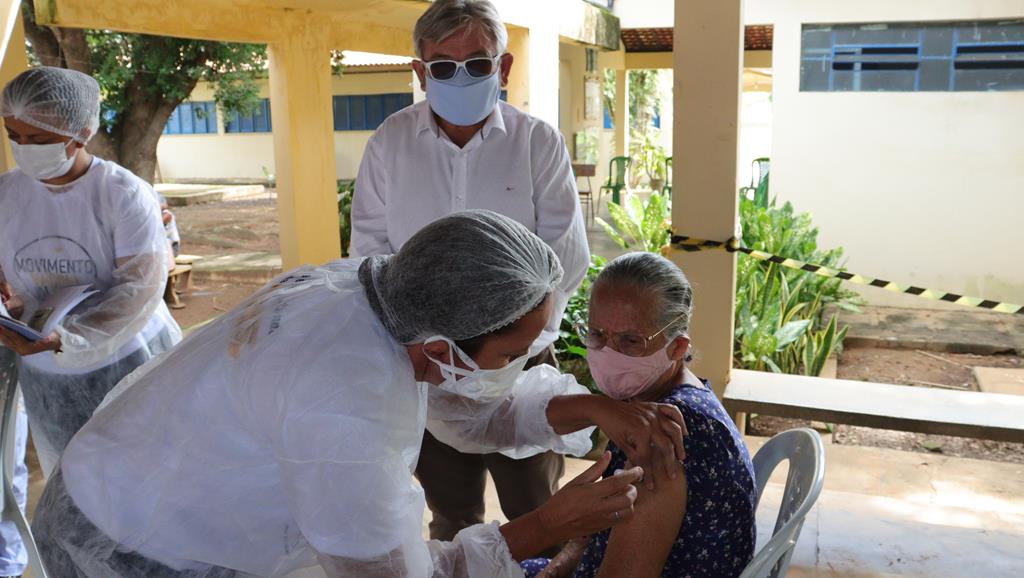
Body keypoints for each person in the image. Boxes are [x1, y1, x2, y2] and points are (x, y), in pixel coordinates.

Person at [32, 211, 688, 578]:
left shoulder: (377, 290)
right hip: (126, 546)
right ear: (441, 348)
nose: (517, 369)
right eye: (513, 356)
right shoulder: (344, 408)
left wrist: (598, 408)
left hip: (138, 476)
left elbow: (471, 407)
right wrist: (544, 528)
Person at [351, 0, 590, 548]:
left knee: (540, 515)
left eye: (478, 63)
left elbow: (565, 260)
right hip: (426, 365)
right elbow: (369, 255)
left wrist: (513, 351)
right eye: (442, 66)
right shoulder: (390, 143)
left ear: (503, 68)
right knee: (449, 517)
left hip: (520, 363)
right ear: (419, 71)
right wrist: (422, 348)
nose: (461, 77)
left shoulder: (537, 143)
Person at [521, 252, 757, 578]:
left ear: (677, 347)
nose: (608, 353)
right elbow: (585, 544)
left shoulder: (666, 433)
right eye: (597, 334)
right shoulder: (643, 406)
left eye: (631, 340)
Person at [0, 67, 182, 478]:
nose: (24, 148)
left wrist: (69, 339)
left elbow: (139, 288)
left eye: (40, 139)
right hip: (47, 370)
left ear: (81, 132)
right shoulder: (7, 194)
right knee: (74, 484)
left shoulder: (122, 193)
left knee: (145, 479)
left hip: (126, 358)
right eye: (15, 138)